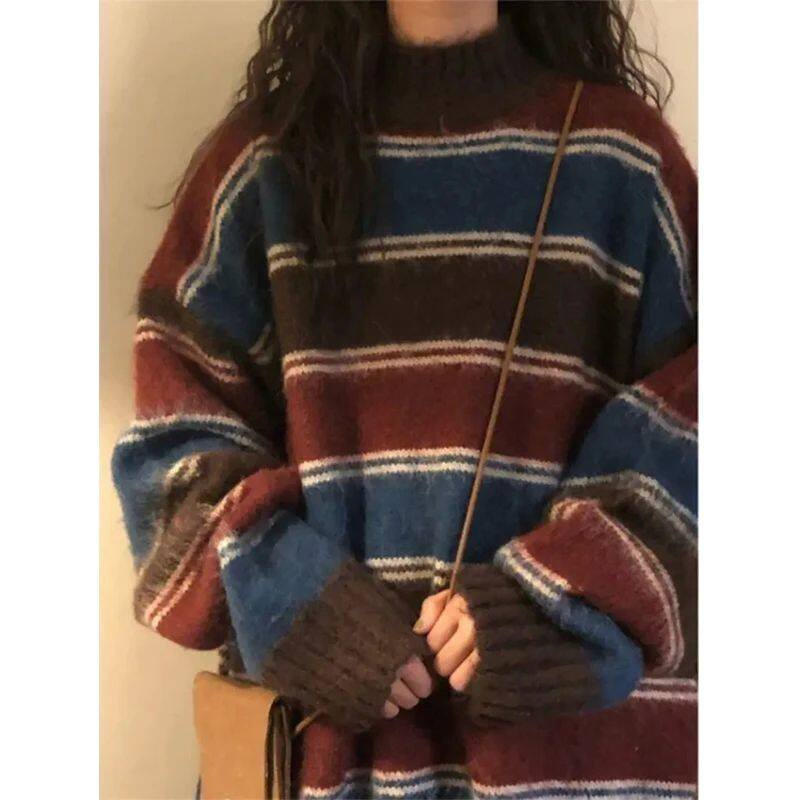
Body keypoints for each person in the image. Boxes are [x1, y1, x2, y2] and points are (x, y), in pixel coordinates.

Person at [112, 1, 697, 797]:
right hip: (334, 761)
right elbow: (170, 458)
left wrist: (562, 602)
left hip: (575, 765)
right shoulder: (264, 167)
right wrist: (295, 602)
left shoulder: (625, 164)